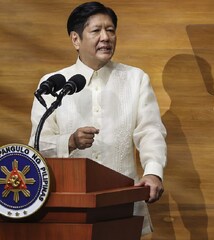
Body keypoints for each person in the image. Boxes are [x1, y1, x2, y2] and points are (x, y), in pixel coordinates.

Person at [28, 1, 167, 235]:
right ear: (75, 39)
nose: (106, 37)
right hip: (68, 208)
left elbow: (150, 131)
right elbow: (36, 145)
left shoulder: (135, 79)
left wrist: (153, 172)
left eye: (110, 30)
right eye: (96, 31)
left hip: (122, 203)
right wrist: (70, 142)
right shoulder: (53, 84)